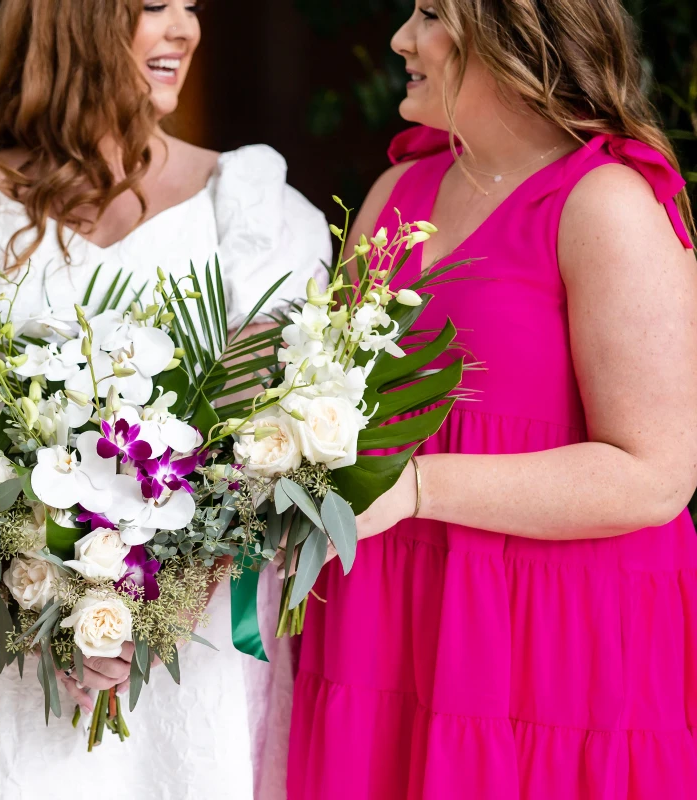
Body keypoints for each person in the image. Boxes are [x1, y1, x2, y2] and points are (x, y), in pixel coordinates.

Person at [0, 0, 331, 797]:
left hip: (184, 639)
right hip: (3, 640)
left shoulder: (246, 206)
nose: (184, 28)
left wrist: (149, 614)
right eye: (154, 7)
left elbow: (260, 443)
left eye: (190, 7)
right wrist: (42, 596)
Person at [289, 1, 697, 797]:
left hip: (546, 639)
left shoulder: (607, 202)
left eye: (433, 13)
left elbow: (657, 473)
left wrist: (417, 489)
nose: (403, 39)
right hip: (386, 620)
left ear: (519, 36)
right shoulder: (397, 191)